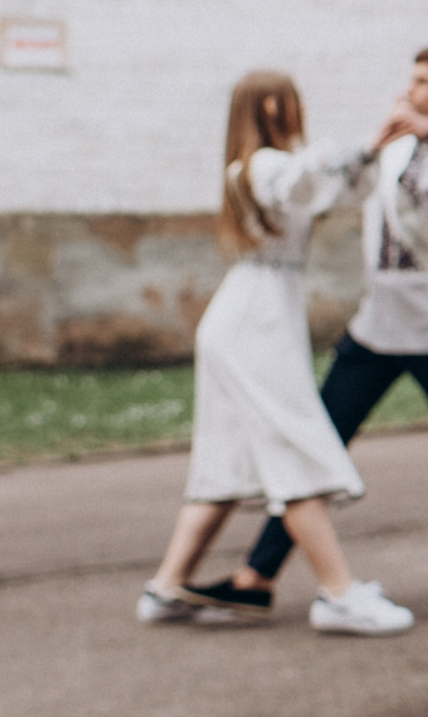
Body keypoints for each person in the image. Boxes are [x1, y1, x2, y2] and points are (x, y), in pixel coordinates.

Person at [192, 45, 428, 621]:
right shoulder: (392, 149)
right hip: (377, 325)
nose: (411, 89)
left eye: (426, 82)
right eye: (412, 79)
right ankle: (257, 574)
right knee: (316, 439)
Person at [140, 73, 412, 637]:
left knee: (231, 455)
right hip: (254, 318)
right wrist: (362, 145)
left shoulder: (270, 165)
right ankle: (337, 592)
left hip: (255, 310)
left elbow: (340, 189)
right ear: (270, 105)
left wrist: (373, 148)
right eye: (291, 98)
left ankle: (167, 586)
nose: (300, 108)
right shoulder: (264, 165)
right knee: (293, 444)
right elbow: (302, 184)